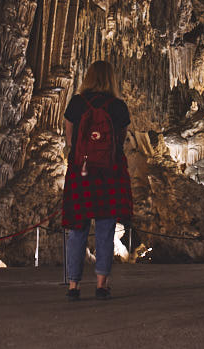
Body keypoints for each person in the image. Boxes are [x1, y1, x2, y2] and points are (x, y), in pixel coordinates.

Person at [62, 60, 132, 301]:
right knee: (105, 230)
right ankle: (102, 285)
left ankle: (73, 286)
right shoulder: (118, 107)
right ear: (111, 79)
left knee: (77, 230)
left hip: (81, 174)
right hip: (108, 175)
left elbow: (70, 140)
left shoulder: (76, 103)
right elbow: (120, 142)